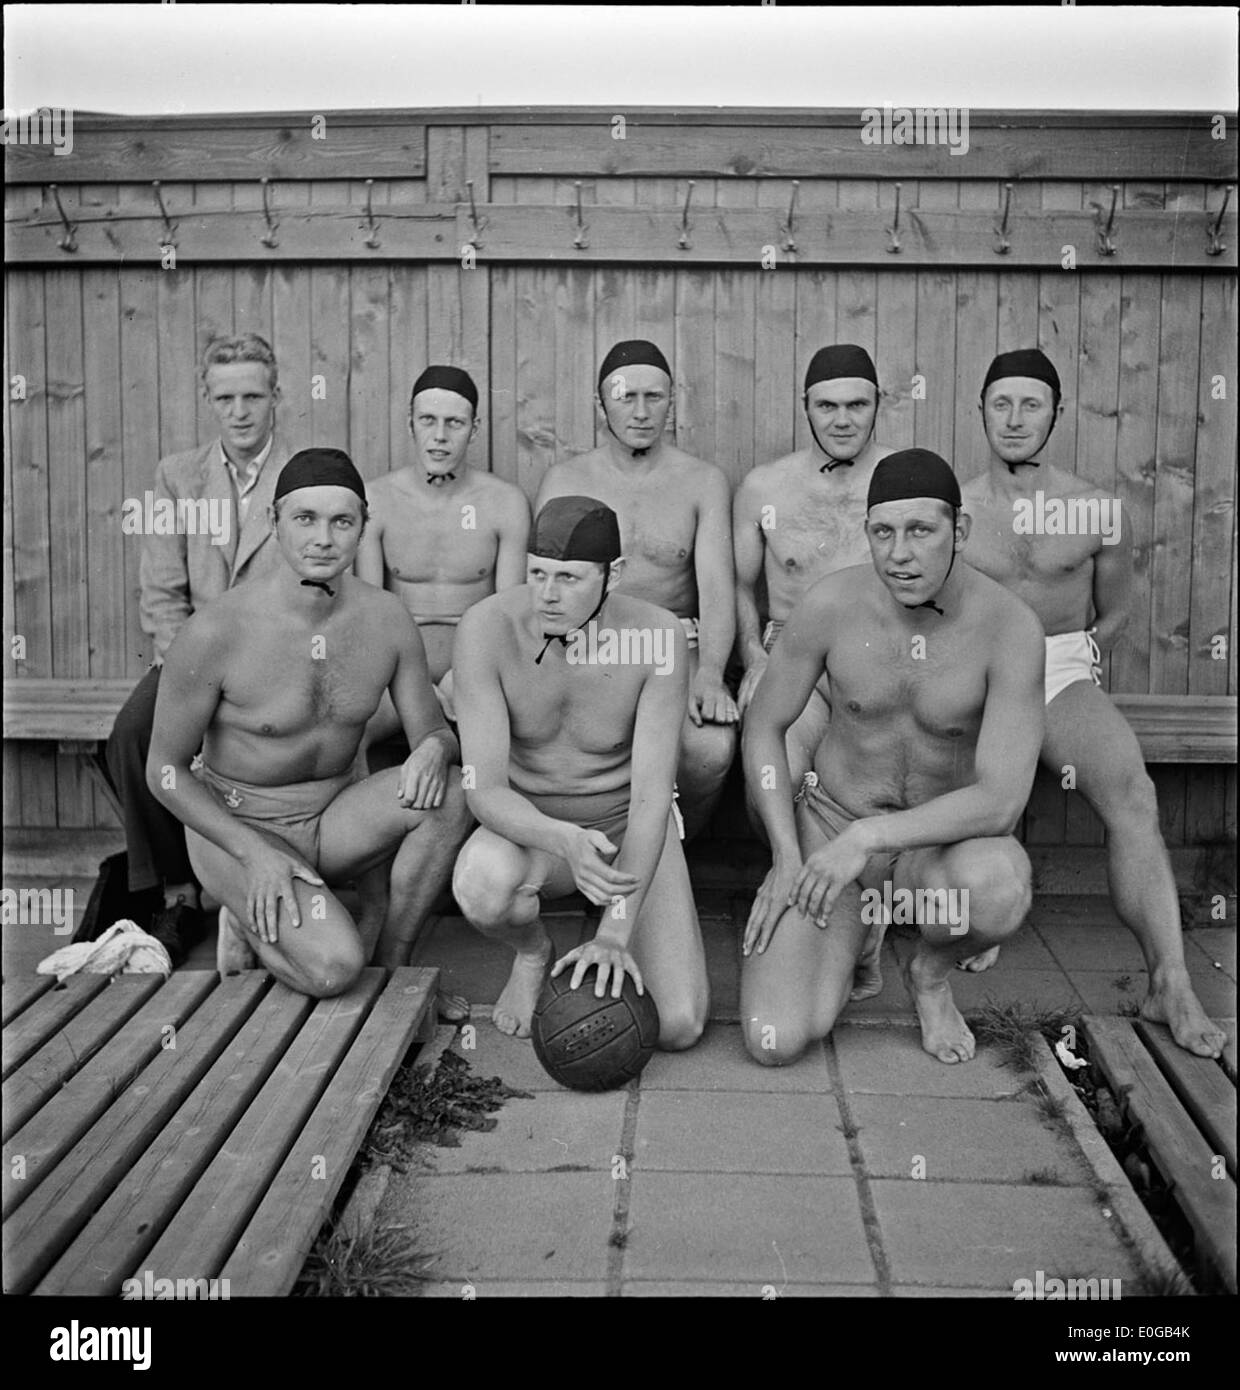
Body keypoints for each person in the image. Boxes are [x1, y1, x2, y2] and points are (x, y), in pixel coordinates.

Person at [960, 349, 1225, 1058]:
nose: (1014, 419)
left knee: (1133, 791)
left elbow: (1113, 614)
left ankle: (1170, 980)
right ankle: (989, 912)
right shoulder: (953, 509)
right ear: (979, 410)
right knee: (979, 785)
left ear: (1056, 413)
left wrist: (1077, 662)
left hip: (1058, 667)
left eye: (1031, 405)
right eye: (1001, 404)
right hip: (977, 672)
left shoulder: (1098, 510)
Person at [742, 450, 1044, 1066]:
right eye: (883, 532)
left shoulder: (1010, 628)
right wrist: (785, 853)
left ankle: (929, 975)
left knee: (999, 890)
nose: (900, 554)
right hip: (831, 831)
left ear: (958, 531)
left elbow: (1001, 798)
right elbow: (764, 729)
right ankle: (858, 936)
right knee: (775, 1039)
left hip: (935, 850)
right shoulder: (830, 605)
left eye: (921, 531)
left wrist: (871, 835)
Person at [146, 449, 472, 995]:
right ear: (274, 523)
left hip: (333, 815)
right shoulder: (216, 631)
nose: (323, 538)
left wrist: (436, 748)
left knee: (453, 796)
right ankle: (249, 911)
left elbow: (433, 732)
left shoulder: (387, 619)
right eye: (305, 519)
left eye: (341, 521)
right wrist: (255, 854)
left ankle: (394, 966)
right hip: (241, 825)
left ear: (363, 528)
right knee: (332, 969)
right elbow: (164, 771)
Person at [450, 495, 708, 1047]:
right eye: (538, 574)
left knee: (680, 1025)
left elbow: (650, 799)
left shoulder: (657, 637)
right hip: (535, 832)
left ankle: (607, 931)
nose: (548, 594)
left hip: (625, 828)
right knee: (483, 886)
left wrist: (616, 931)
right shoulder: (486, 628)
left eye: (568, 578)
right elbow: (484, 790)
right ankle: (531, 952)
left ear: (612, 574)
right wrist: (562, 839)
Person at [105, 333, 292, 963]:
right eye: (225, 398)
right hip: (192, 655)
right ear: (208, 400)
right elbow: (161, 591)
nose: (240, 411)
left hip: (277, 660)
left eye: (252, 396)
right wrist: (185, 667)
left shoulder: (304, 472)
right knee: (134, 736)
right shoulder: (178, 476)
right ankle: (179, 893)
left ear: (276, 398)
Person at [534, 341, 736, 840]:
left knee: (710, 750)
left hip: (674, 643)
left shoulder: (702, 482)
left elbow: (715, 589)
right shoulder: (567, 478)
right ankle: (597, 842)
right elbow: (543, 584)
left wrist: (711, 672)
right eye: (625, 397)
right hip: (591, 640)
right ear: (601, 404)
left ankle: (680, 845)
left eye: (655, 397)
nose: (641, 412)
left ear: (672, 403)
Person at [733, 344, 896, 820]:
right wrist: (753, 657)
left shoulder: (905, 480)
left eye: (856, 405)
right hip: (791, 647)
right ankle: (789, 875)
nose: (842, 420)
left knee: (880, 785)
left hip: (882, 648)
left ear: (877, 405)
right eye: (827, 406)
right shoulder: (764, 489)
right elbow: (742, 587)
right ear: (805, 406)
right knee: (774, 778)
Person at [355, 365, 530, 739]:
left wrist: (464, 674)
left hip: (477, 665)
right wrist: (411, 683)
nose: (439, 436)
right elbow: (371, 612)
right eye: (428, 420)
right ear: (410, 423)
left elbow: (508, 613)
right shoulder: (377, 500)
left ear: (475, 429)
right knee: (355, 726)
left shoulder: (504, 503)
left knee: (502, 728)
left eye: (455, 423)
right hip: (396, 668)